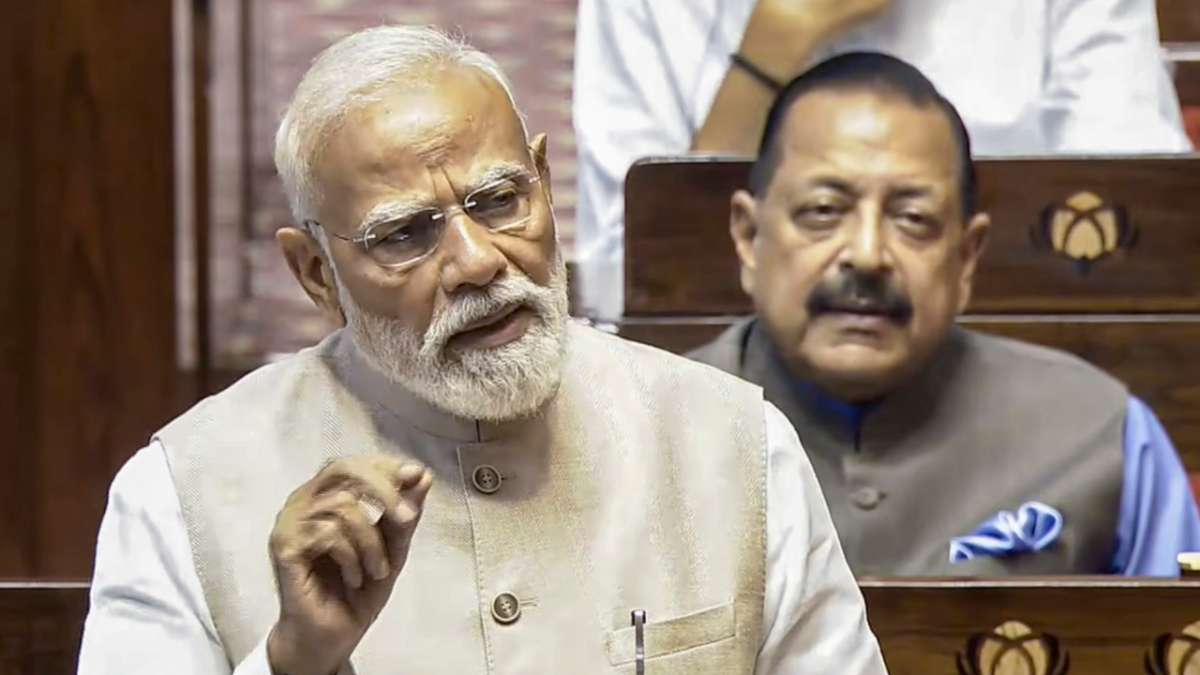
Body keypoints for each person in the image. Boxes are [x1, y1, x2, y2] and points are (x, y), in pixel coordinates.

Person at [76, 26, 887, 675]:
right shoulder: (182, 492)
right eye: (404, 234)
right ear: (317, 273)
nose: (476, 261)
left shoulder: (736, 445)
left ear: (543, 180)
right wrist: (293, 660)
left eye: (499, 200)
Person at [689, 51, 1200, 577]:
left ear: (966, 257)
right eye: (823, 211)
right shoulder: (652, 429)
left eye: (913, 219)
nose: (867, 255)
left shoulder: (1101, 435)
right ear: (749, 236)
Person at [573, 0, 1193, 320]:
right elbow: (624, 281)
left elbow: (1148, 242)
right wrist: (777, 41)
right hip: (735, 383)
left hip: (1008, 369)